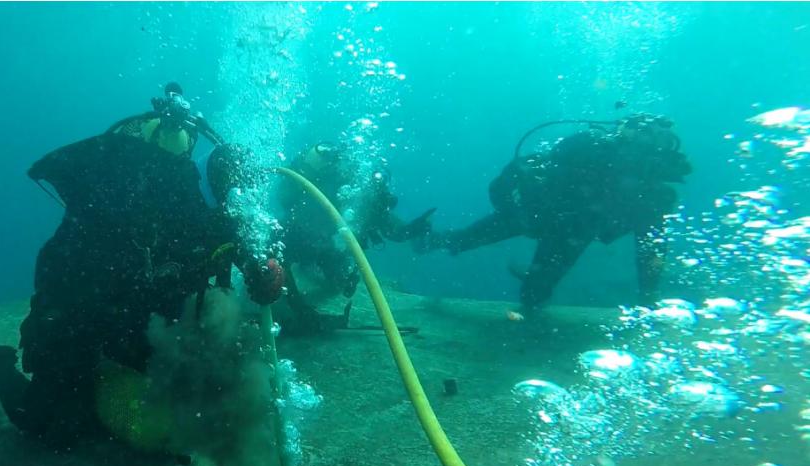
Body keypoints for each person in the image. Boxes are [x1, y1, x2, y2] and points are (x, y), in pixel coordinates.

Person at [0, 84, 283, 451]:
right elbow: (66, 269)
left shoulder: (220, 210)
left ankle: (108, 375)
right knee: (45, 423)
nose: (229, 214)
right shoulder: (134, 193)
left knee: (191, 396)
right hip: (80, 308)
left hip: (145, 314)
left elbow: (242, 242)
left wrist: (262, 267)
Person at [416, 113, 692, 313]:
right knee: (466, 240)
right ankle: (430, 240)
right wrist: (511, 208)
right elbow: (516, 174)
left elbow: (651, 246)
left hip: (571, 231)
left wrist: (648, 293)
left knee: (534, 294)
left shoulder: (654, 193)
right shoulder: (589, 147)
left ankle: (528, 299)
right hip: (537, 215)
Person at [274, 141, 437, 331]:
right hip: (301, 240)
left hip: (323, 248)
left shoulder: (364, 199)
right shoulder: (321, 193)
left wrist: (417, 227)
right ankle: (300, 306)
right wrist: (300, 309)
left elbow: (393, 231)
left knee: (341, 279)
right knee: (281, 258)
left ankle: (311, 280)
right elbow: (284, 244)